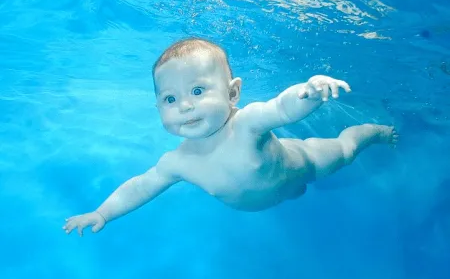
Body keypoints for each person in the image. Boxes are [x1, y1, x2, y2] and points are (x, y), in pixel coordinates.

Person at [63, 38, 398, 236]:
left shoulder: (247, 123)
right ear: (157, 108)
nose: (185, 106)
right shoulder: (178, 162)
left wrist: (308, 92)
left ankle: (374, 132)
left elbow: (281, 109)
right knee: (296, 195)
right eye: (170, 99)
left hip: (305, 164)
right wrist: (103, 213)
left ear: (233, 93)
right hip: (273, 196)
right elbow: (139, 186)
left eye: (197, 90)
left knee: (346, 149)